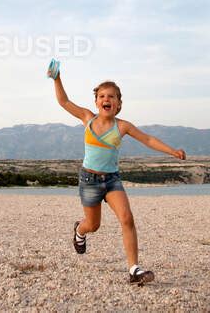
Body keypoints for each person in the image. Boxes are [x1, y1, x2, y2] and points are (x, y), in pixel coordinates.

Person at [48, 61, 186, 285]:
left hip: (111, 181)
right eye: (102, 96)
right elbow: (64, 101)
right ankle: (79, 231)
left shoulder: (123, 126)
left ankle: (134, 270)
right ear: (96, 101)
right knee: (93, 225)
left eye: (112, 97)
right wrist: (57, 78)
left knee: (127, 218)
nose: (106, 99)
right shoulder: (87, 118)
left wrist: (172, 151)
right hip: (89, 181)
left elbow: (148, 139)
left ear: (119, 104)